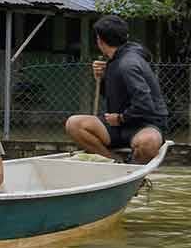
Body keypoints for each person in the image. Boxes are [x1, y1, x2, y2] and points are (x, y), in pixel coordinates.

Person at [65, 15, 169, 164]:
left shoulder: (128, 64)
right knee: (74, 124)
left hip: (145, 124)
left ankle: (133, 173)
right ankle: (114, 162)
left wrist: (120, 118)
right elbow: (110, 95)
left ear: (100, 40)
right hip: (117, 126)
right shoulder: (115, 59)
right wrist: (100, 78)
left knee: (148, 142)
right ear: (125, 37)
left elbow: (145, 105)